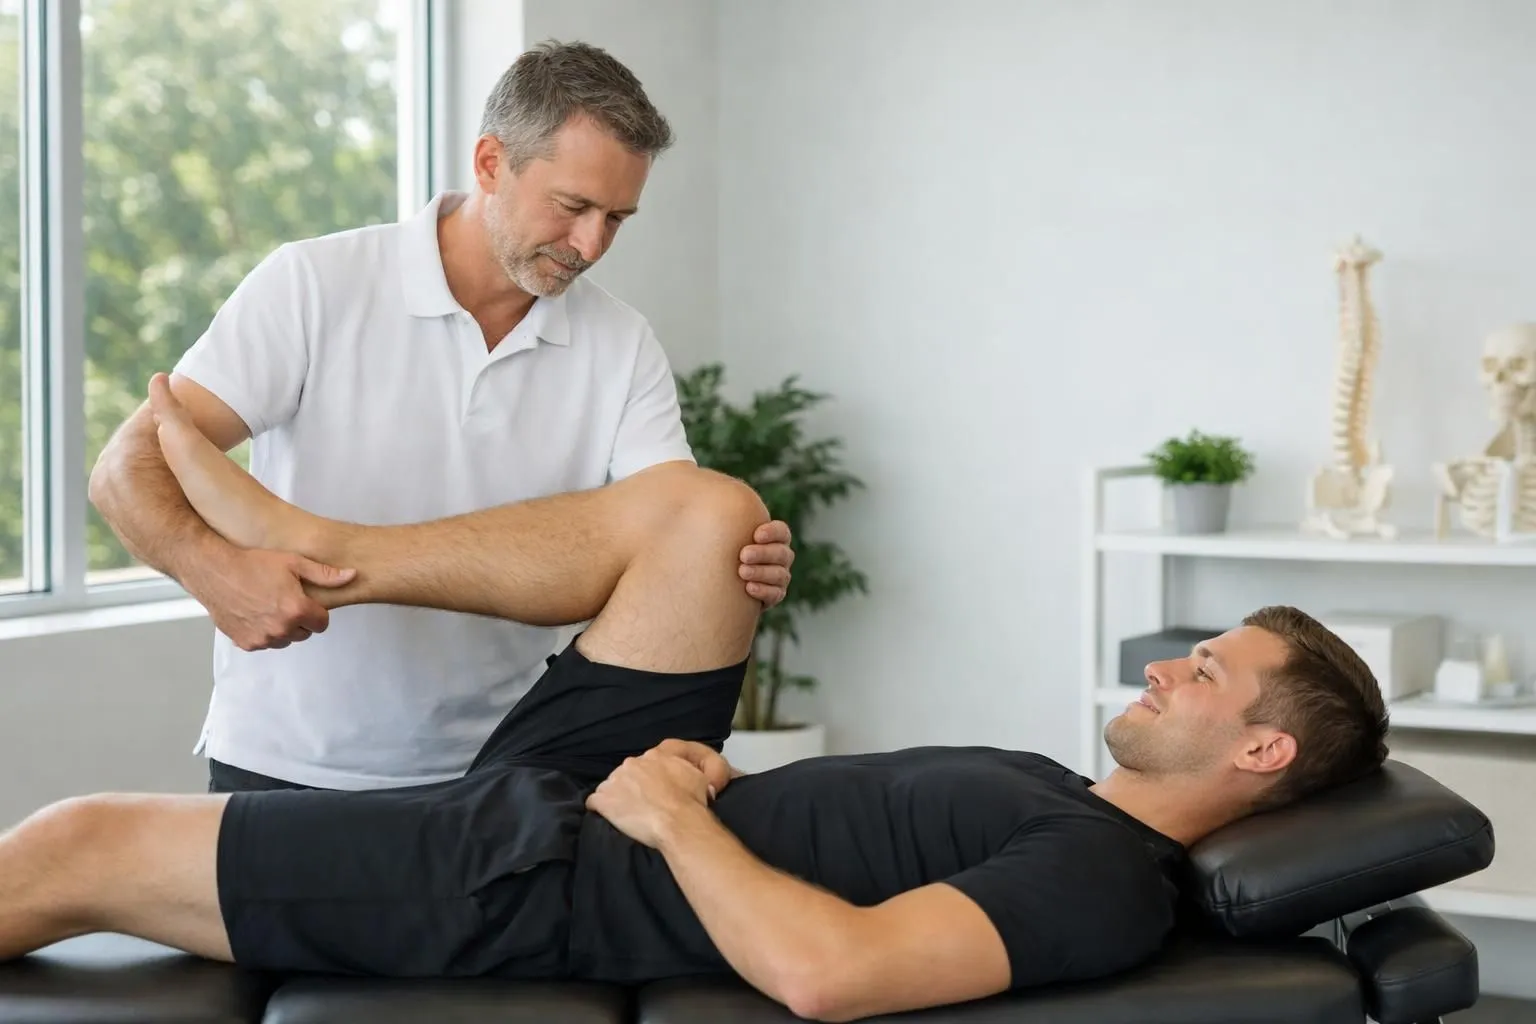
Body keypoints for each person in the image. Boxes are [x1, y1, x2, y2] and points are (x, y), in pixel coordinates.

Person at [2, 378, 1390, 1022]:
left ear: (1262, 748)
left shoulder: (1104, 878)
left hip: (541, 871)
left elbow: (827, 975)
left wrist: (676, 823)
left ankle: (303, 540)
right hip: (608, 797)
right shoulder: (1072, 803)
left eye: (1201, 672)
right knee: (707, 518)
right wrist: (677, 793)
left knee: (72, 846)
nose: (1163, 663)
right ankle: (319, 540)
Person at [86, 40, 797, 795]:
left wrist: (726, 556)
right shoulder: (315, 285)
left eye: (617, 217)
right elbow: (126, 468)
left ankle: (329, 547)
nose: (592, 244)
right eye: (573, 207)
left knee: (713, 518)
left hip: (503, 766)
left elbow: (665, 534)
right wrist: (212, 569)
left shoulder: (621, 343)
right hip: (289, 762)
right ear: (491, 162)